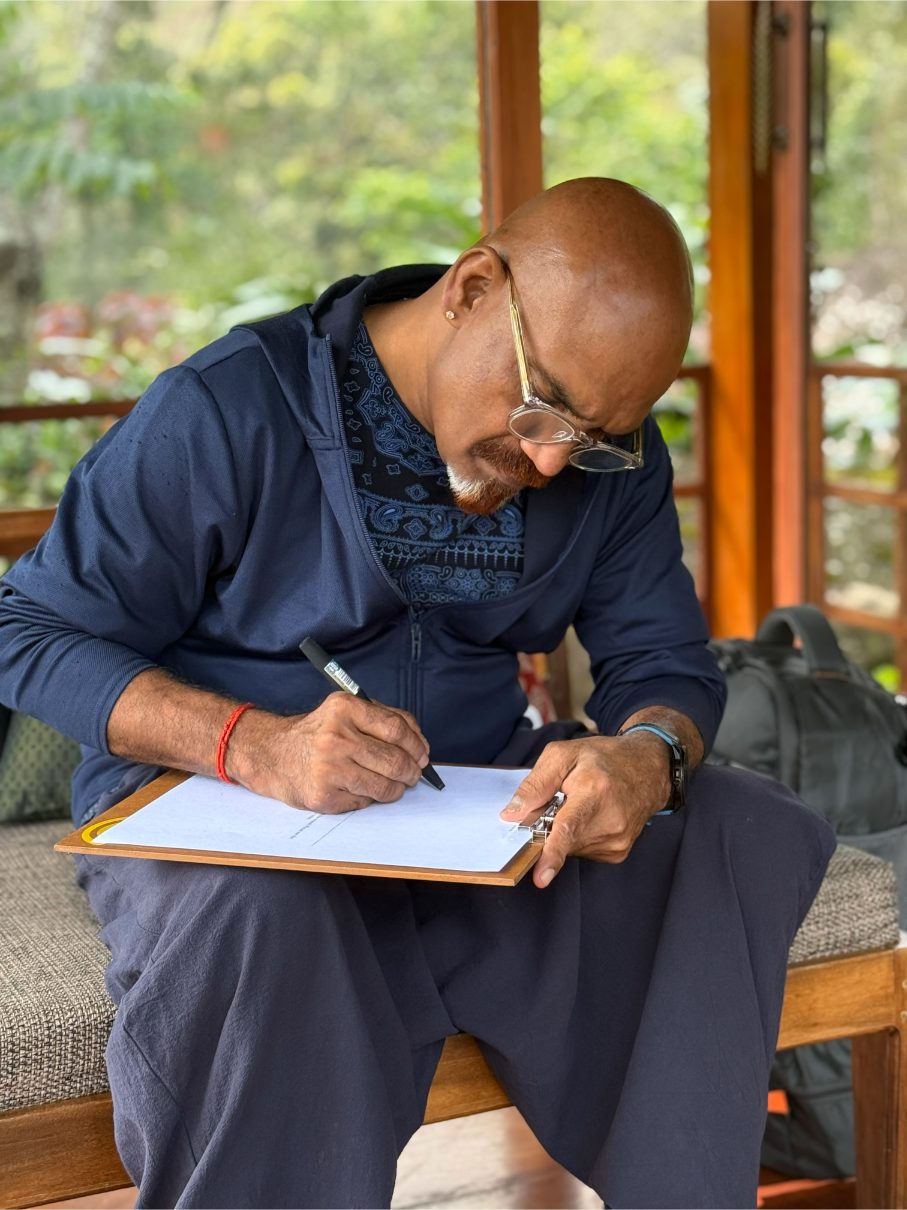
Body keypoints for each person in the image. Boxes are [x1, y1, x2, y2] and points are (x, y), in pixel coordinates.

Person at [0, 178, 834, 1209]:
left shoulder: (604, 462)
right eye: (542, 407)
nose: (548, 461)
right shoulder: (224, 408)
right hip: (222, 805)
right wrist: (251, 743)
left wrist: (648, 753)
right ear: (472, 288)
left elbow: (664, 664)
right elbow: (28, 629)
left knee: (736, 825)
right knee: (265, 917)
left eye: (591, 437)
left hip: (471, 808)